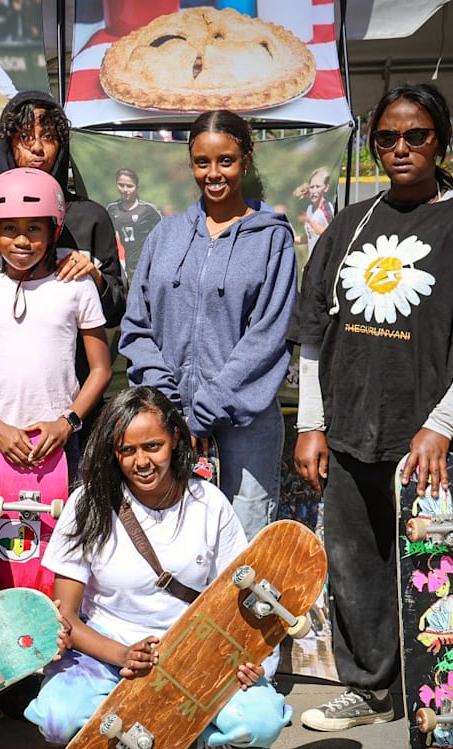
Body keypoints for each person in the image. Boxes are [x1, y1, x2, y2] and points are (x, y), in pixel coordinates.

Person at [287, 82, 453, 731]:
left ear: (441, 141)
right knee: (355, 570)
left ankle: (445, 699)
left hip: (436, 448)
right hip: (349, 435)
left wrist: (441, 426)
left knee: (438, 579)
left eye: (416, 135)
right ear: (374, 145)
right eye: (388, 137)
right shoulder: (349, 225)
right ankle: (370, 690)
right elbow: (314, 330)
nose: (401, 148)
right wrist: (312, 423)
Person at [24, 386, 291, 749]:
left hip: (195, 650)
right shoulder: (87, 504)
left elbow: (241, 602)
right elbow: (65, 616)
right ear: (112, 450)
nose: (141, 462)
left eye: (153, 446)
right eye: (127, 450)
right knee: (58, 718)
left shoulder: (208, 504)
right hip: (105, 652)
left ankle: (191, 738)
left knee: (259, 723)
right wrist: (121, 655)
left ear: (175, 438)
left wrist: (249, 660)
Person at [119, 110, 298, 543]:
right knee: (171, 543)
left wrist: (202, 412)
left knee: (243, 550)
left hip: (245, 424)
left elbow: (268, 336)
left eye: (226, 161)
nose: (213, 174)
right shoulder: (166, 235)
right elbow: (136, 324)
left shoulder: (273, 239)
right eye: (202, 162)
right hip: (166, 420)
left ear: (246, 159)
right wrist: (169, 405)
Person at [0, 92, 126, 440]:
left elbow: (118, 309)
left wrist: (94, 277)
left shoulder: (90, 219)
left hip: (73, 415)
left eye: (49, 137)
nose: (38, 149)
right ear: (6, 143)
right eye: (25, 138)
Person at [0, 166, 112, 495]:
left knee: (62, 535)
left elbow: (101, 369)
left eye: (34, 228)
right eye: (10, 228)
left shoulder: (77, 286)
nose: (22, 240)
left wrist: (67, 423)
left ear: (54, 231)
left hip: (61, 440)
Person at [105, 167, 163, 279]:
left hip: (149, 263)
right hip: (129, 263)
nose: (125, 190)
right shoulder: (112, 209)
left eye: (130, 186)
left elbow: (165, 234)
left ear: (137, 187)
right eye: (121, 185)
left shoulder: (148, 210)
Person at [294, 166, 333, 253]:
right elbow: (311, 236)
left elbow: (329, 234)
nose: (314, 191)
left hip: (325, 260)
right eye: (312, 187)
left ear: (326, 188)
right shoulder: (309, 209)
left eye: (318, 187)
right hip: (312, 260)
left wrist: (309, 221)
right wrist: (296, 239)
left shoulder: (327, 208)